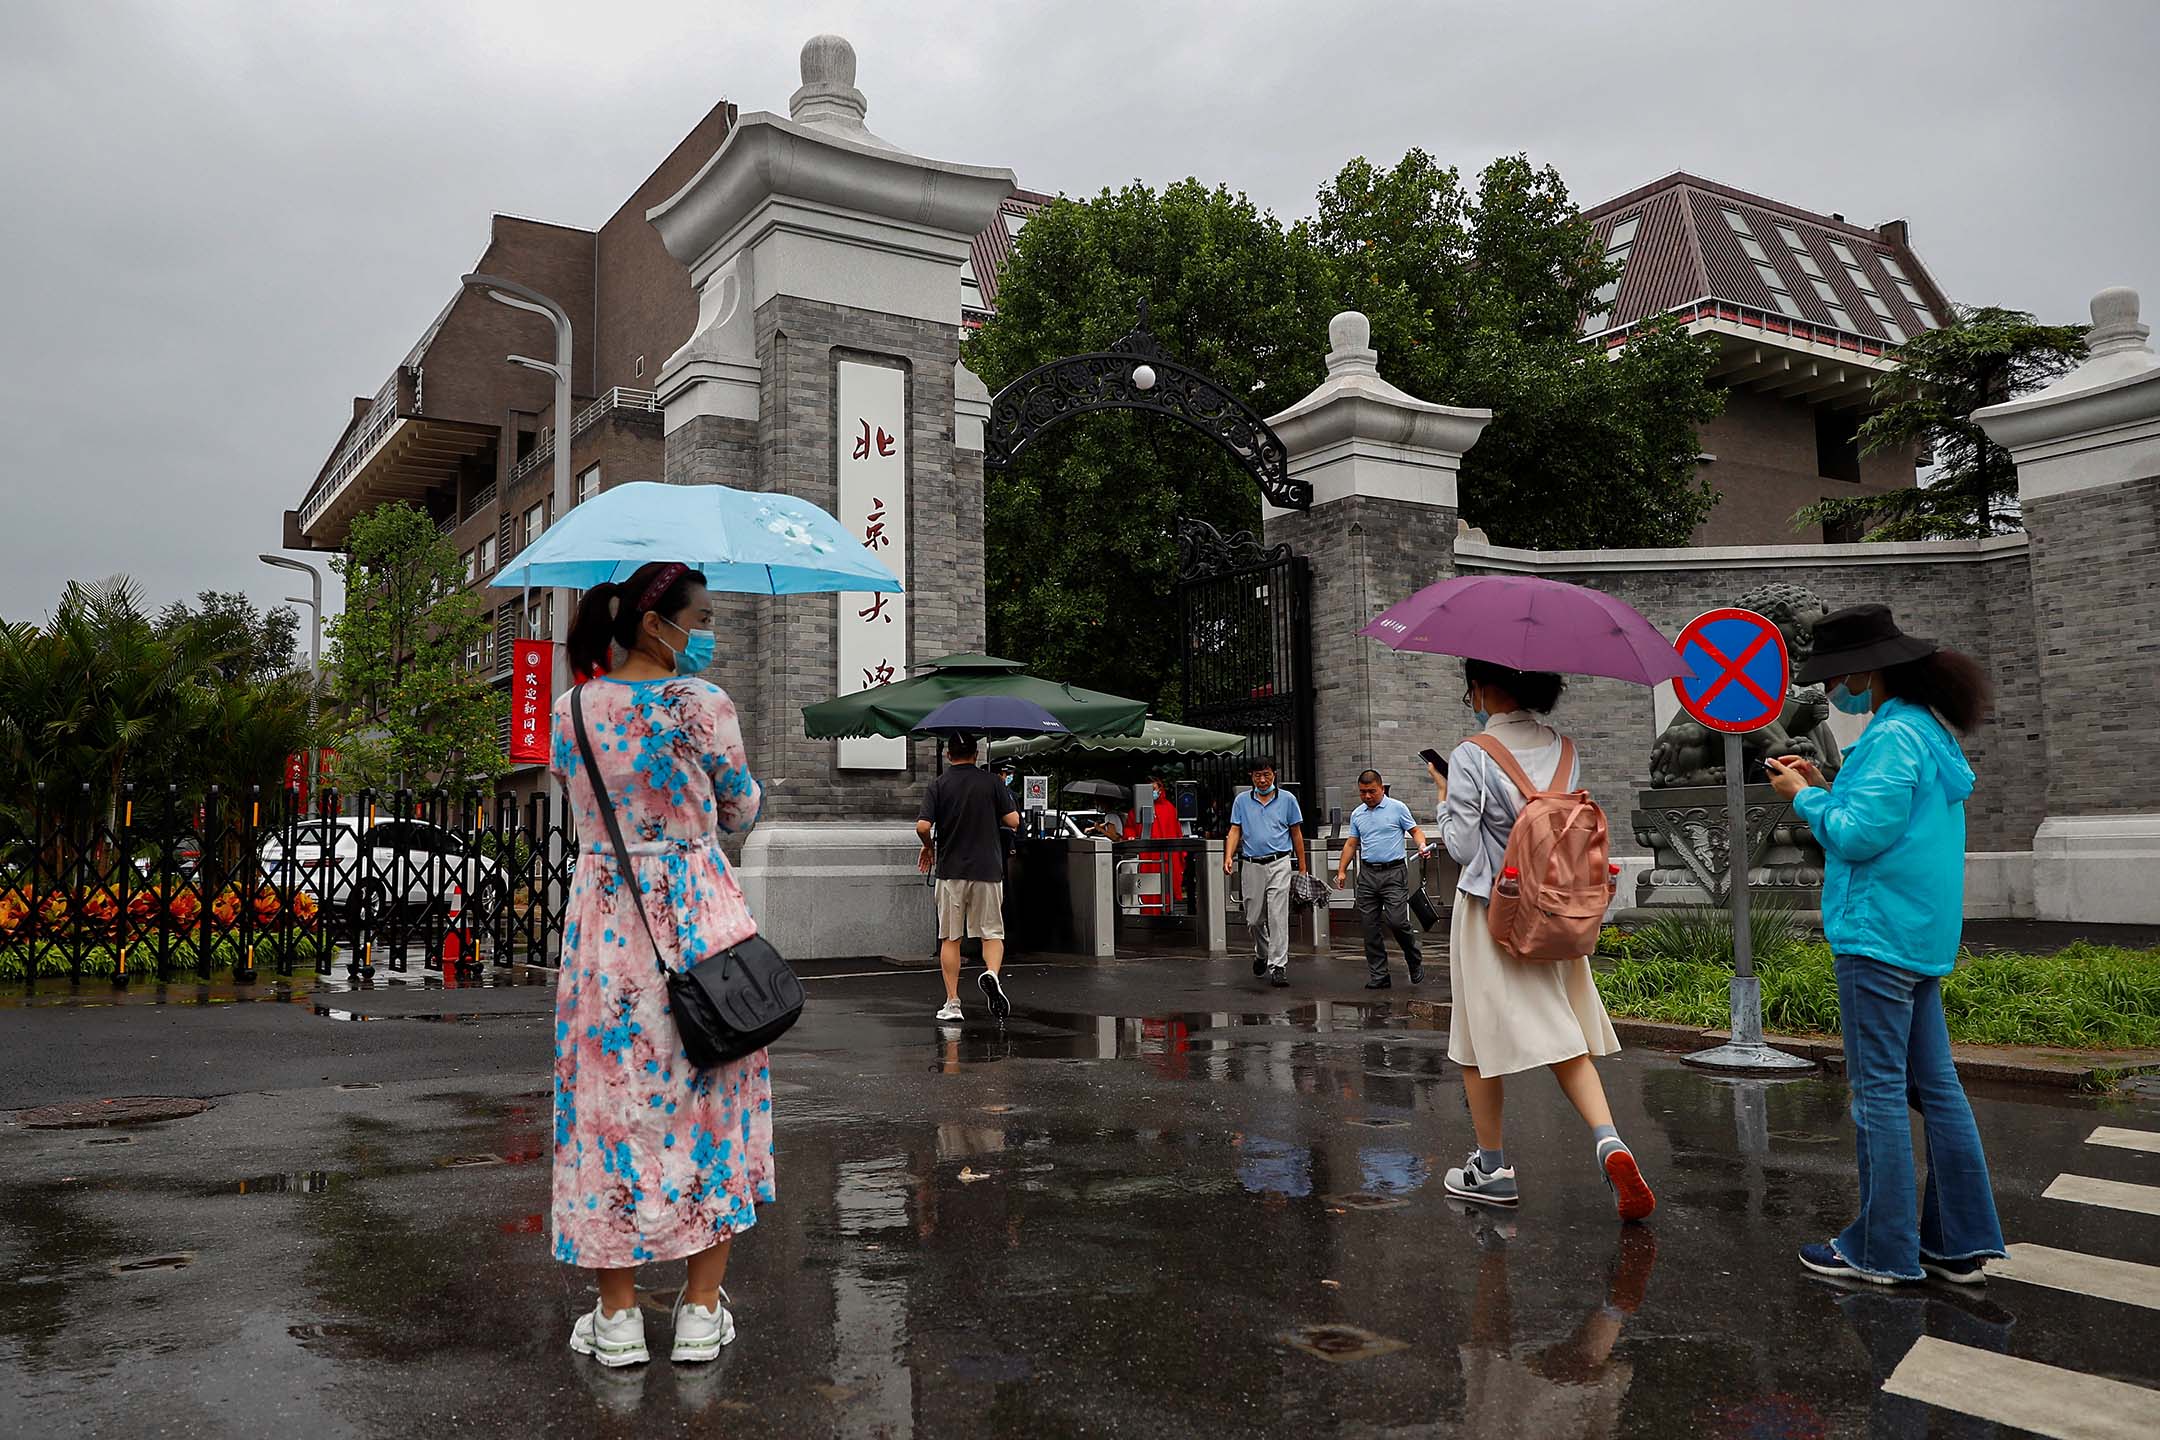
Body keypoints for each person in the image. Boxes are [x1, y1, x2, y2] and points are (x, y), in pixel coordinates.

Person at [549, 560, 772, 1367]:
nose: (704, 632)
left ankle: (615, 1320)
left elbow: (575, 796)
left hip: (606, 927)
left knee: (606, 1110)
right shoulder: (700, 704)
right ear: (656, 622)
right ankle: (700, 1311)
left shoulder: (571, 709)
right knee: (714, 1099)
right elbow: (741, 807)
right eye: (699, 616)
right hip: (698, 923)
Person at [1764, 604, 2005, 1286]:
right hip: (1920, 933)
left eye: (1838, 676)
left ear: (1864, 671)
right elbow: (1885, 818)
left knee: (1876, 1094)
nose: (1833, 690)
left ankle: (1881, 1249)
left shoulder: (1892, 735)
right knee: (1937, 1088)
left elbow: (1858, 836)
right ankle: (1957, 1244)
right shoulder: (1927, 730)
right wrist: (1821, 785)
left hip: (1877, 934)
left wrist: (1802, 800)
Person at [1431, 659, 1652, 1222]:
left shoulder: (1471, 753)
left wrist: (1443, 795)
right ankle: (1610, 1142)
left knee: (1477, 1043)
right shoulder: (1565, 748)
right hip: (1555, 910)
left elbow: (1459, 847)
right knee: (1564, 1031)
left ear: (1479, 687)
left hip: (1492, 912)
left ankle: (1492, 1167)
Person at [917, 733, 1021, 1022]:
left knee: (951, 938)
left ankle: (952, 1003)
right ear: (976, 754)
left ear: (949, 756)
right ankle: (991, 974)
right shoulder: (992, 783)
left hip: (951, 872)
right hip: (987, 870)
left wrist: (928, 846)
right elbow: (1014, 821)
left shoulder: (938, 785)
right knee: (992, 934)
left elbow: (923, 825)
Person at [1334, 769, 1432, 989]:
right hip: (1368, 874)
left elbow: (1415, 831)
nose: (1367, 796)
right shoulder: (1358, 814)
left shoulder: (1397, 808)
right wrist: (1342, 870)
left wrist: (1422, 845)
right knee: (1369, 928)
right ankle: (1379, 975)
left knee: (1397, 921)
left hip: (1394, 872)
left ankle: (1413, 959)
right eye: (1362, 792)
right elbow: (1351, 844)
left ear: (1381, 788)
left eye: (1371, 791)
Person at [1222, 757, 1308, 988]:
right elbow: (1235, 830)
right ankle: (1262, 952)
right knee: (1253, 918)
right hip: (1251, 863)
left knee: (1278, 916)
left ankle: (1278, 965)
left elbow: (1296, 832)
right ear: (1251, 776)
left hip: (1279, 862)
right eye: (1258, 775)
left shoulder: (1288, 800)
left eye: (1267, 774)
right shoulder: (1242, 801)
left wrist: (1302, 866)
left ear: (1274, 774)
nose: (1262, 779)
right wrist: (1228, 856)